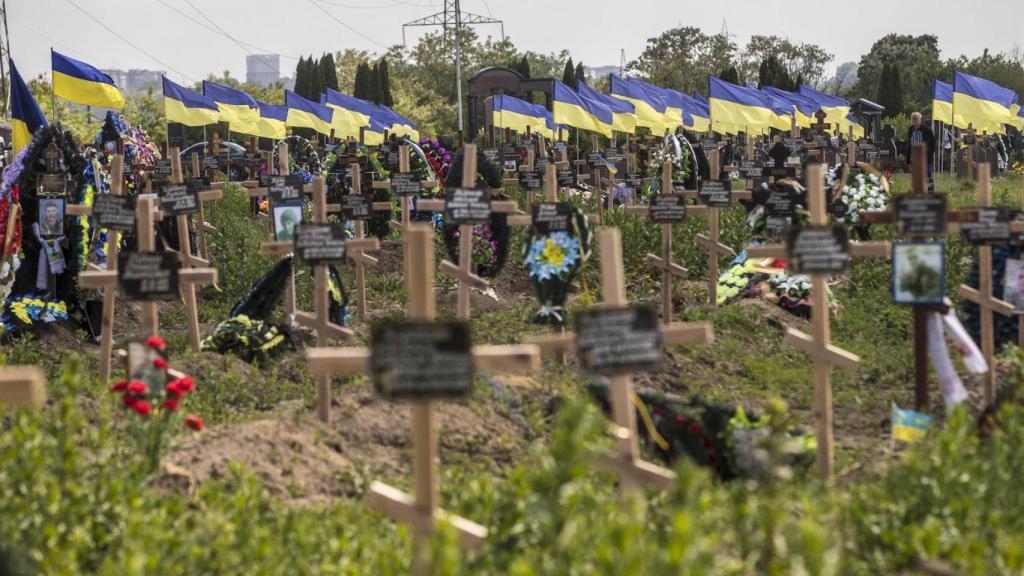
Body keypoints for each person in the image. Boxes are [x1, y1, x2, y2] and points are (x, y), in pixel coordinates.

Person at [907, 112, 936, 191]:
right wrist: (908, 160)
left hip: (926, 157)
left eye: (916, 118)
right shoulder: (910, 130)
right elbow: (909, 144)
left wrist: (929, 153)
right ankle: (919, 190)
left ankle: (930, 191)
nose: (914, 120)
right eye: (913, 118)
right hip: (914, 157)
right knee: (916, 175)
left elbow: (933, 143)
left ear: (920, 119)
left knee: (928, 174)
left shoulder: (927, 130)